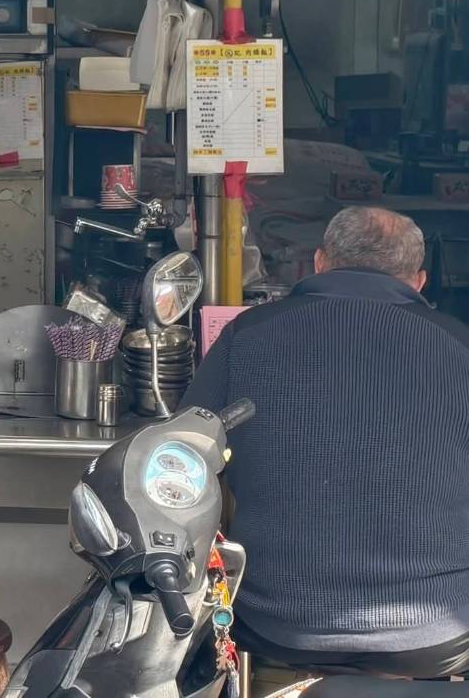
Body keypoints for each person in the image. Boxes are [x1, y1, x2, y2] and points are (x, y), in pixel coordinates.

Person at [183, 205, 469, 678]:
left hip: (275, 619)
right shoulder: (459, 347)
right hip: (437, 629)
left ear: (319, 262)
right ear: (418, 281)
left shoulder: (245, 337)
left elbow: (188, 458)